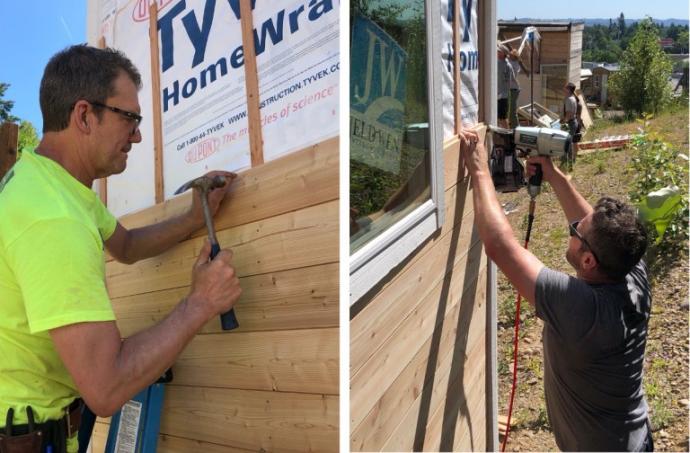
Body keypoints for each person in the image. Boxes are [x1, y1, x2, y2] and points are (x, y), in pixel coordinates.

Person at [0, 45, 242, 453]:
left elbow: (126, 245)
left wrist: (193, 215)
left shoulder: (50, 182)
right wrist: (200, 303)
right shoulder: (53, 217)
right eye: (129, 118)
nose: (138, 134)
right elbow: (107, 388)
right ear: (83, 116)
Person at [458, 129, 653, 452]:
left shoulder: (583, 309)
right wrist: (554, 175)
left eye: (577, 231)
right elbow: (594, 228)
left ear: (588, 260)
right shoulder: (632, 270)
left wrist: (479, 171)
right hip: (635, 439)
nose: (573, 227)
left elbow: (500, 246)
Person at [508, 49, 528, 129]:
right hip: (512, 88)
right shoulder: (514, 63)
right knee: (509, 110)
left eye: (510, 56)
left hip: (513, 89)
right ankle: (512, 125)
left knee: (512, 110)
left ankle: (515, 127)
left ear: (514, 57)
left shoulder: (514, 64)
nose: (509, 56)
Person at [497, 44, 514, 129]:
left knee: (502, 118)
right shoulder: (508, 65)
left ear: (503, 53)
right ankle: (505, 136)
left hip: (500, 95)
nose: (497, 52)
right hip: (504, 95)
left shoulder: (500, 64)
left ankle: (507, 136)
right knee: (502, 118)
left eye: (499, 51)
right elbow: (511, 80)